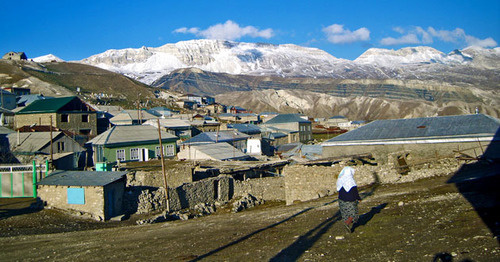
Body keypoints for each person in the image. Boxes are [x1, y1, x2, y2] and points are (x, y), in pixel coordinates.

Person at [336, 161, 362, 233]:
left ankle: (347, 224)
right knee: (354, 214)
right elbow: (355, 191)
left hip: (341, 200)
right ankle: (347, 224)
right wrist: (358, 198)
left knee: (345, 213)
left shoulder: (340, 180)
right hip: (350, 200)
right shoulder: (351, 181)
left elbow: (338, 190)